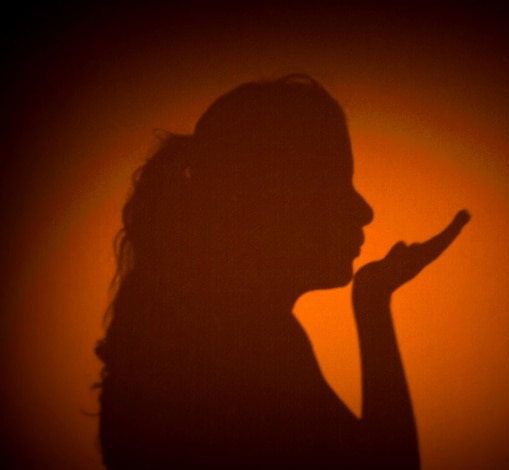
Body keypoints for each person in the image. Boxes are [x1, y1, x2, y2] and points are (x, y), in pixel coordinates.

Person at [95, 74, 470, 469]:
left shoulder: (245, 335)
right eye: (337, 185)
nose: (365, 211)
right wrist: (372, 303)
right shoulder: (247, 352)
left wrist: (372, 298)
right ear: (273, 202)